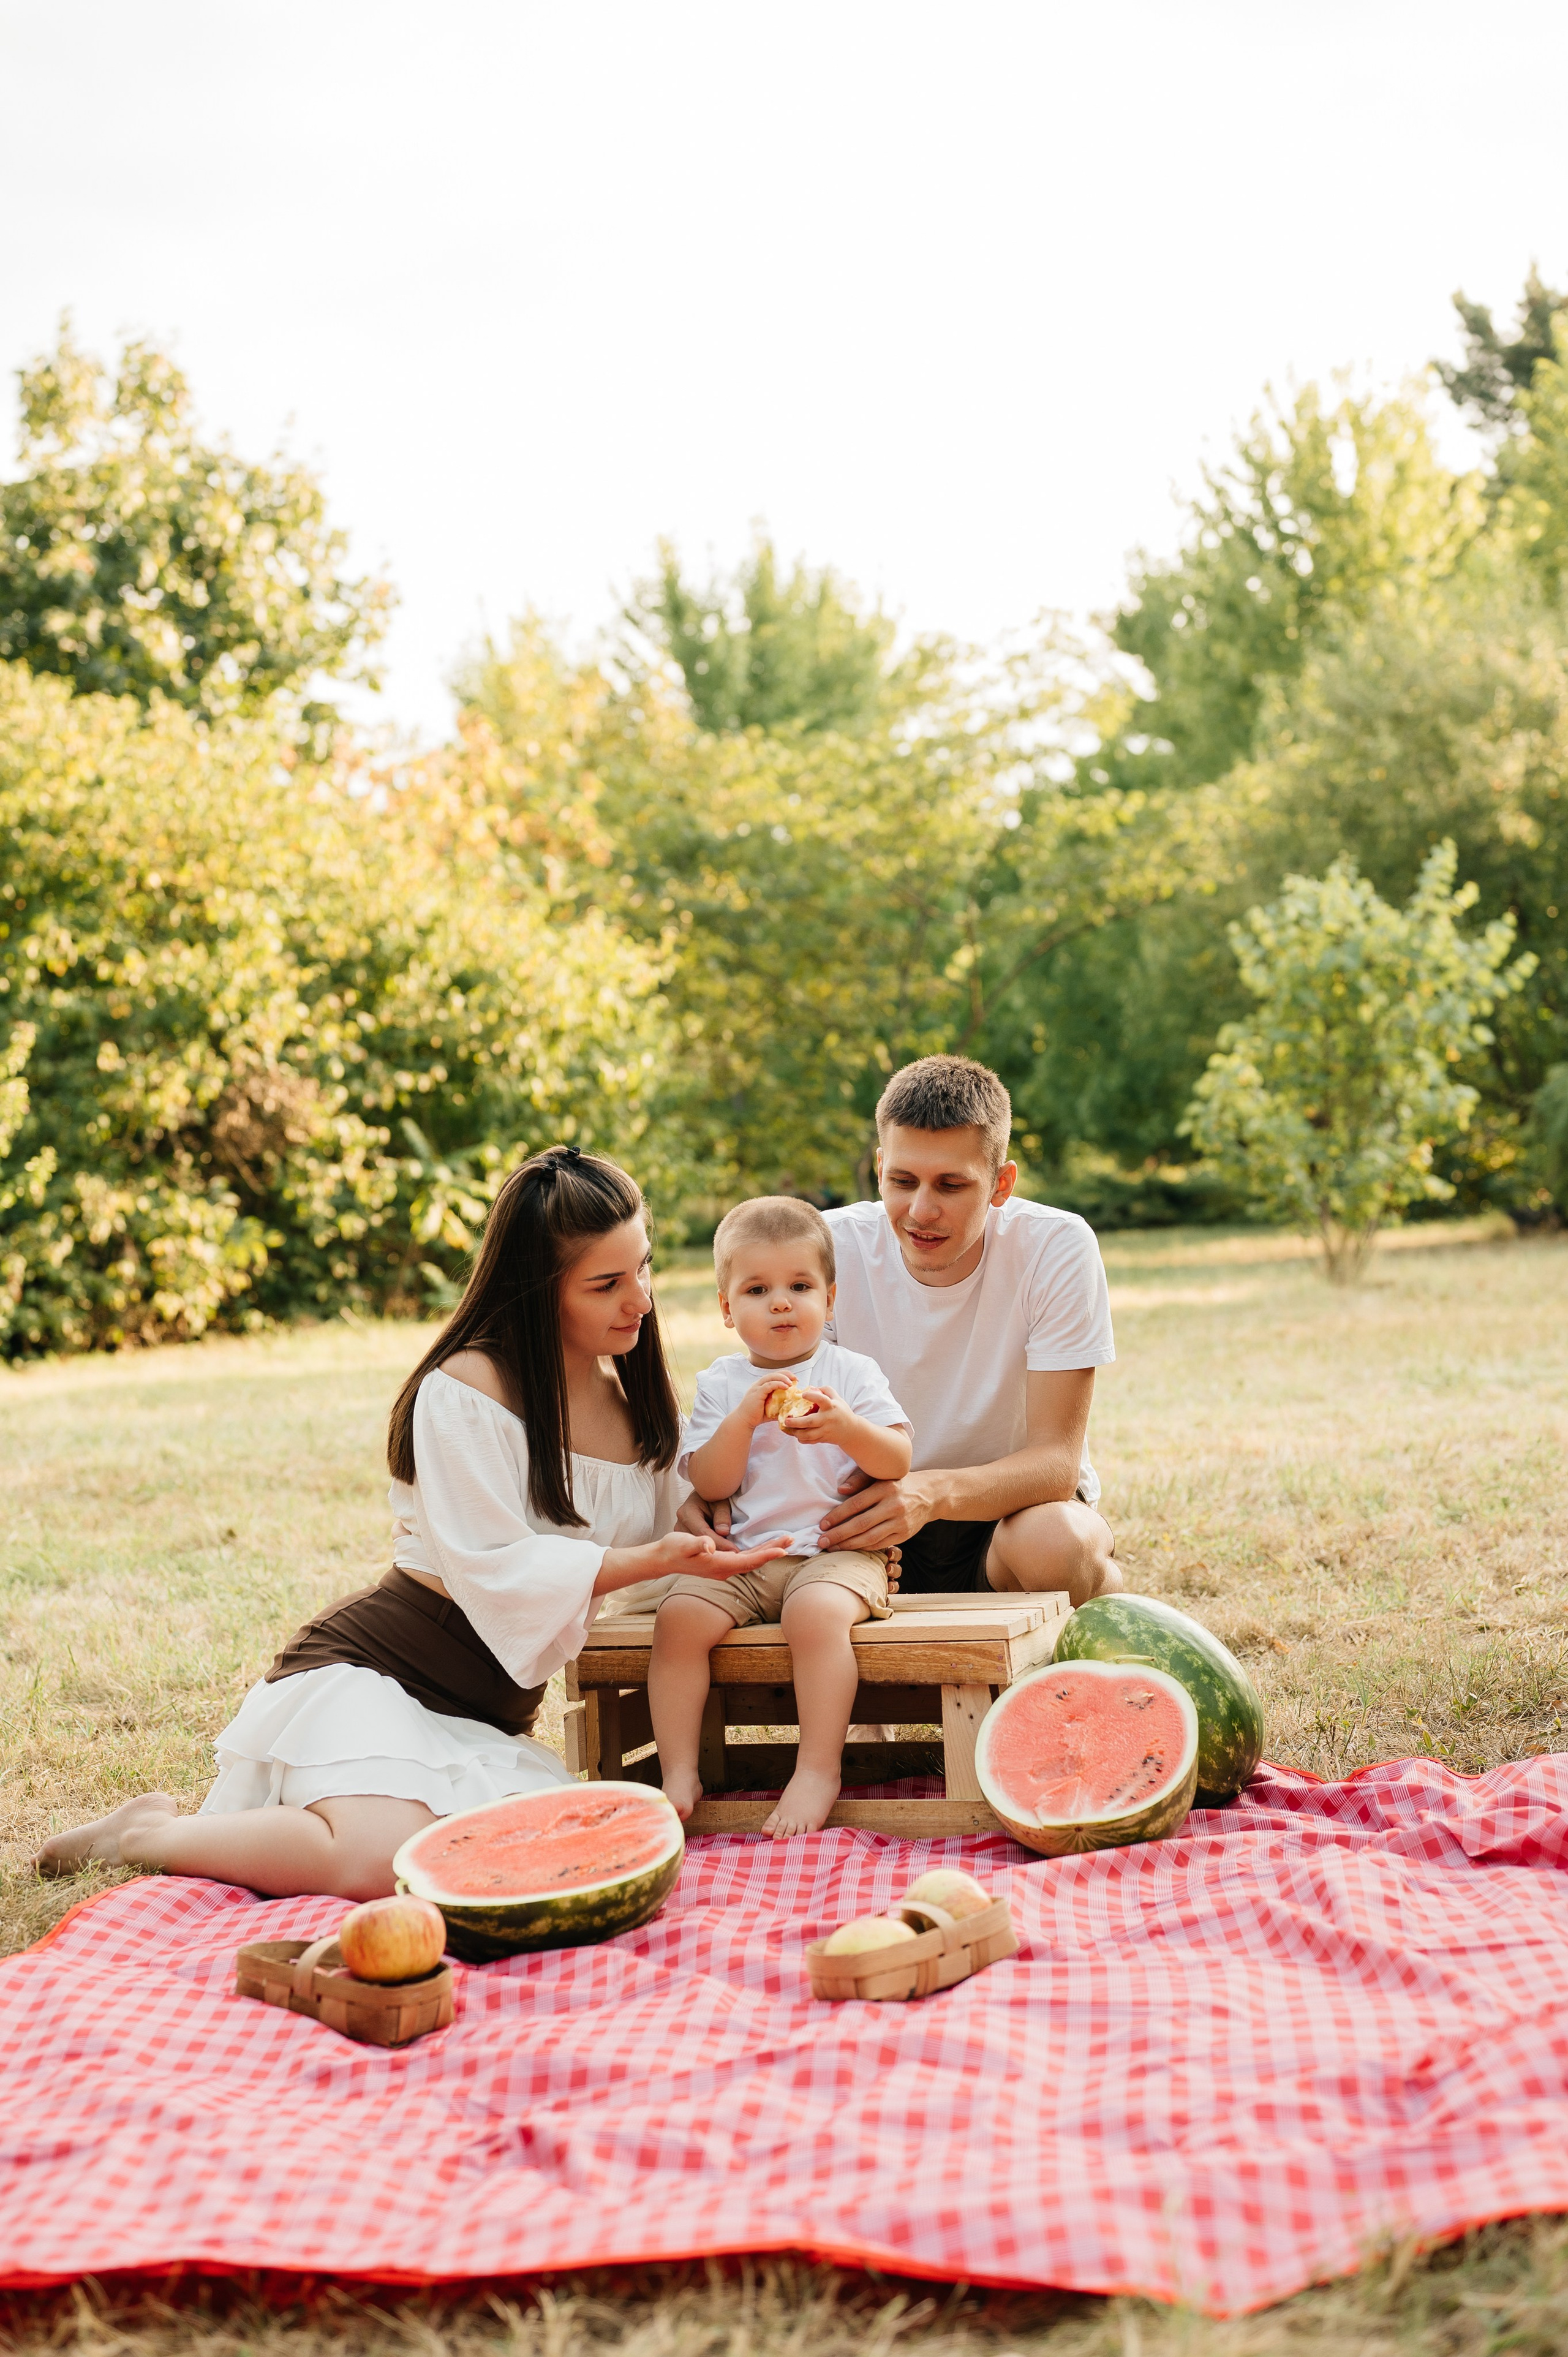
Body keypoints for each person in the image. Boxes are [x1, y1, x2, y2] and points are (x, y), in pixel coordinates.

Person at [35, 1147, 788, 1901]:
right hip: (376, 1673)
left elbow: (675, 1510)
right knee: (375, 1863)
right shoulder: (465, 1388)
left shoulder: (634, 1402)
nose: (642, 1301)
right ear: (537, 1290)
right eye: (607, 1284)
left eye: (644, 1268)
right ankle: (145, 1833)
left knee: (520, 1859)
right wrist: (657, 1557)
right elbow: (490, 1564)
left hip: (488, 1714)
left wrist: (709, 1518)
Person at [679, 1056, 1122, 1606]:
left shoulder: (1055, 1246)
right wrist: (707, 1496)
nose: (921, 1210)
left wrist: (930, 1493)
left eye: (952, 1185)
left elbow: (1057, 1463)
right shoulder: (826, 1250)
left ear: (1001, 1184)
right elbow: (778, 1413)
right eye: (903, 1180)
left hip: (1007, 1515)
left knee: (1059, 1543)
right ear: (881, 1166)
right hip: (861, 1526)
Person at [649, 1197, 913, 1838]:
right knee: (678, 1618)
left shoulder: (849, 1372)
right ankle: (678, 1769)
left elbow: (898, 1456)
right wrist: (742, 1419)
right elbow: (712, 1481)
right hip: (746, 1554)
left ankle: (818, 1767)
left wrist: (846, 1427)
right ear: (725, 1307)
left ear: (830, 1297)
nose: (781, 1303)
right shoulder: (720, 1384)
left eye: (799, 1286)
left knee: (813, 1615)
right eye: (757, 1289)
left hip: (835, 1552)